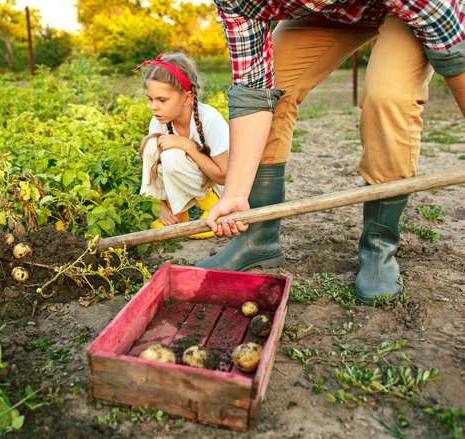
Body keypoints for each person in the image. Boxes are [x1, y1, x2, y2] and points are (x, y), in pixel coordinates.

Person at [197, 1, 465, 304]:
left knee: (387, 95)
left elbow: (453, 52)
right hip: (332, 11)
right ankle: (257, 237)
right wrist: (235, 193)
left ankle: (379, 246)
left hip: (412, 11)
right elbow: (254, 89)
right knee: (277, 84)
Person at [134, 52, 230, 239]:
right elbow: (151, 165)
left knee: (171, 155)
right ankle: (176, 212)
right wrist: (160, 207)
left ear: (187, 98)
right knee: (151, 146)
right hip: (194, 177)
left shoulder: (210, 120)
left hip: (219, 185)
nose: (154, 107)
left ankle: (212, 205)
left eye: (162, 100)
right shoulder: (159, 121)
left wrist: (187, 145)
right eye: (150, 99)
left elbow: (223, 176)